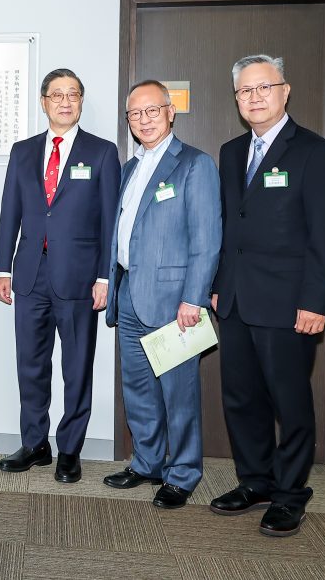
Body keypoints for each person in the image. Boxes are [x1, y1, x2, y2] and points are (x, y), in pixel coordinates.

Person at [209, 54, 325, 537]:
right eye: (245, 90)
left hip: (290, 304)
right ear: (237, 99)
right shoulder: (229, 152)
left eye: (264, 87)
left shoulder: (312, 151)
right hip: (237, 301)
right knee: (241, 399)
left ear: (285, 91)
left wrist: (316, 301)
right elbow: (229, 228)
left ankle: (290, 495)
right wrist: (219, 286)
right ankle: (255, 482)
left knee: (290, 402)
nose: (255, 97)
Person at [0, 68, 121, 482]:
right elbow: (9, 213)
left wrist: (105, 277)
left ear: (81, 102)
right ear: (44, 101)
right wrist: (1, 268)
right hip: (29, 275)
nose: (65, 102)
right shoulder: (23, 151)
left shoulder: (102, 152)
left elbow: (110, 223)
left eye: (73, 95)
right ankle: (35, 445)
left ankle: (70, 449)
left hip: (80, 279)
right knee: (30, 363)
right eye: (56, 95)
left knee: (77, 365)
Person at [102, 80, 221, 508]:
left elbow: (206, 240)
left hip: (174, 301)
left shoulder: (194, 164)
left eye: (152, 111)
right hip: (129, 292)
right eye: (135, 114)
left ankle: (183, 473)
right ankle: (147, 462)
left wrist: (195, 297)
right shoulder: (129, 168)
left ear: (171, 113)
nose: (144, 120)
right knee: (137, 387)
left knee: (178, 391)